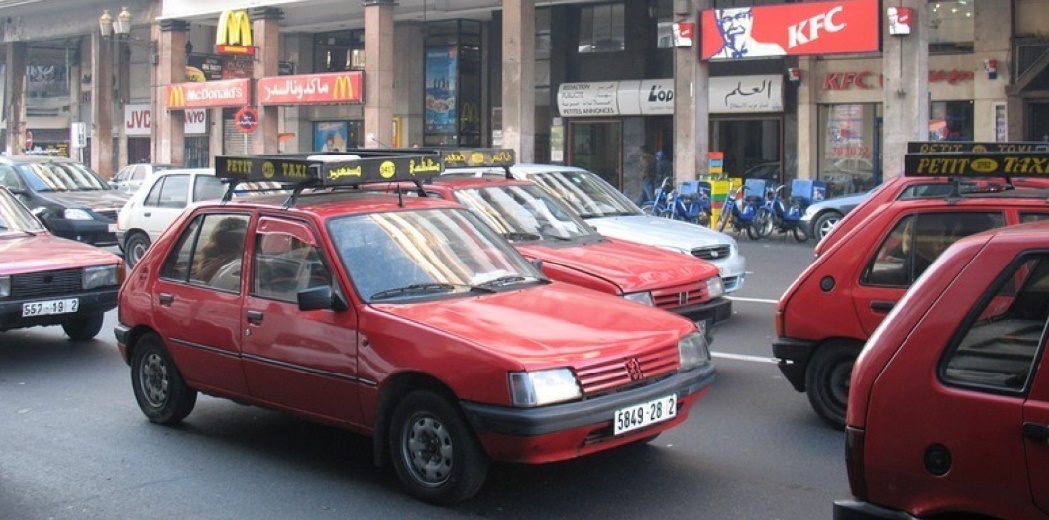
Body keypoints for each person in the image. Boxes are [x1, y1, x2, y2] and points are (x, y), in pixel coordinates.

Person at [710, 7, 785, 59]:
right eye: (727, 19)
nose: (735, 25)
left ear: (750, 19)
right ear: (719, 25)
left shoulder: (774, 51)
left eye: (740, 16)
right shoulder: (713, 59)